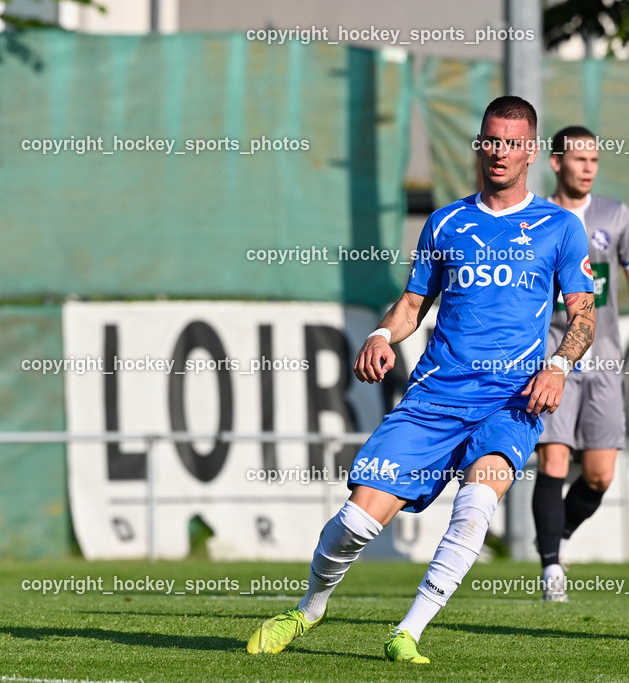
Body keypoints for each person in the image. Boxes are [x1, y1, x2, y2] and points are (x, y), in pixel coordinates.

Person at [246, 95, 596, 664]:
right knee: (357, 521)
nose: (499, 152)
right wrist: (383, 337)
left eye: (511, 142)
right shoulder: (446, 222)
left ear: (530, 151)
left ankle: (408, 630)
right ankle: (308, 608)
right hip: (435, 397)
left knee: (476, 505)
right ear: (479, 144)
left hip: (511, 400)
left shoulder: (560, 228)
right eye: (490, 140)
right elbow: (413, 303)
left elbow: (584, 315)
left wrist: (558, 366)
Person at [531, 126, 629, 602]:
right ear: (555, 162)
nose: (588, 168)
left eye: (594, 160)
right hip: (553, 363)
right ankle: (551, 569)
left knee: (599, 476)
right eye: (579, 159)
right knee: (553, 458)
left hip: (605, 363)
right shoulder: (535, 218)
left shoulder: (615, 215)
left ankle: (556, 537)